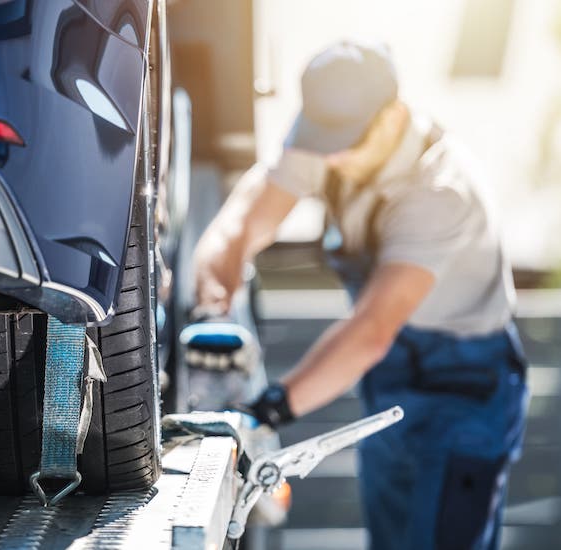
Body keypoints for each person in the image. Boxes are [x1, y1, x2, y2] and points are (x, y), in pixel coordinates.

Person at [190, 40, 529, 550]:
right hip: (393, 379)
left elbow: (371, 331)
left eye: (344, 142)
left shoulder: (441, 192)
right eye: (321, 140)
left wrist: (267, 412)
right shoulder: (330, 139)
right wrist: (215, 279)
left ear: (392, 118)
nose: (332, 157)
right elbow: (245, 218)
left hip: (464, 390)